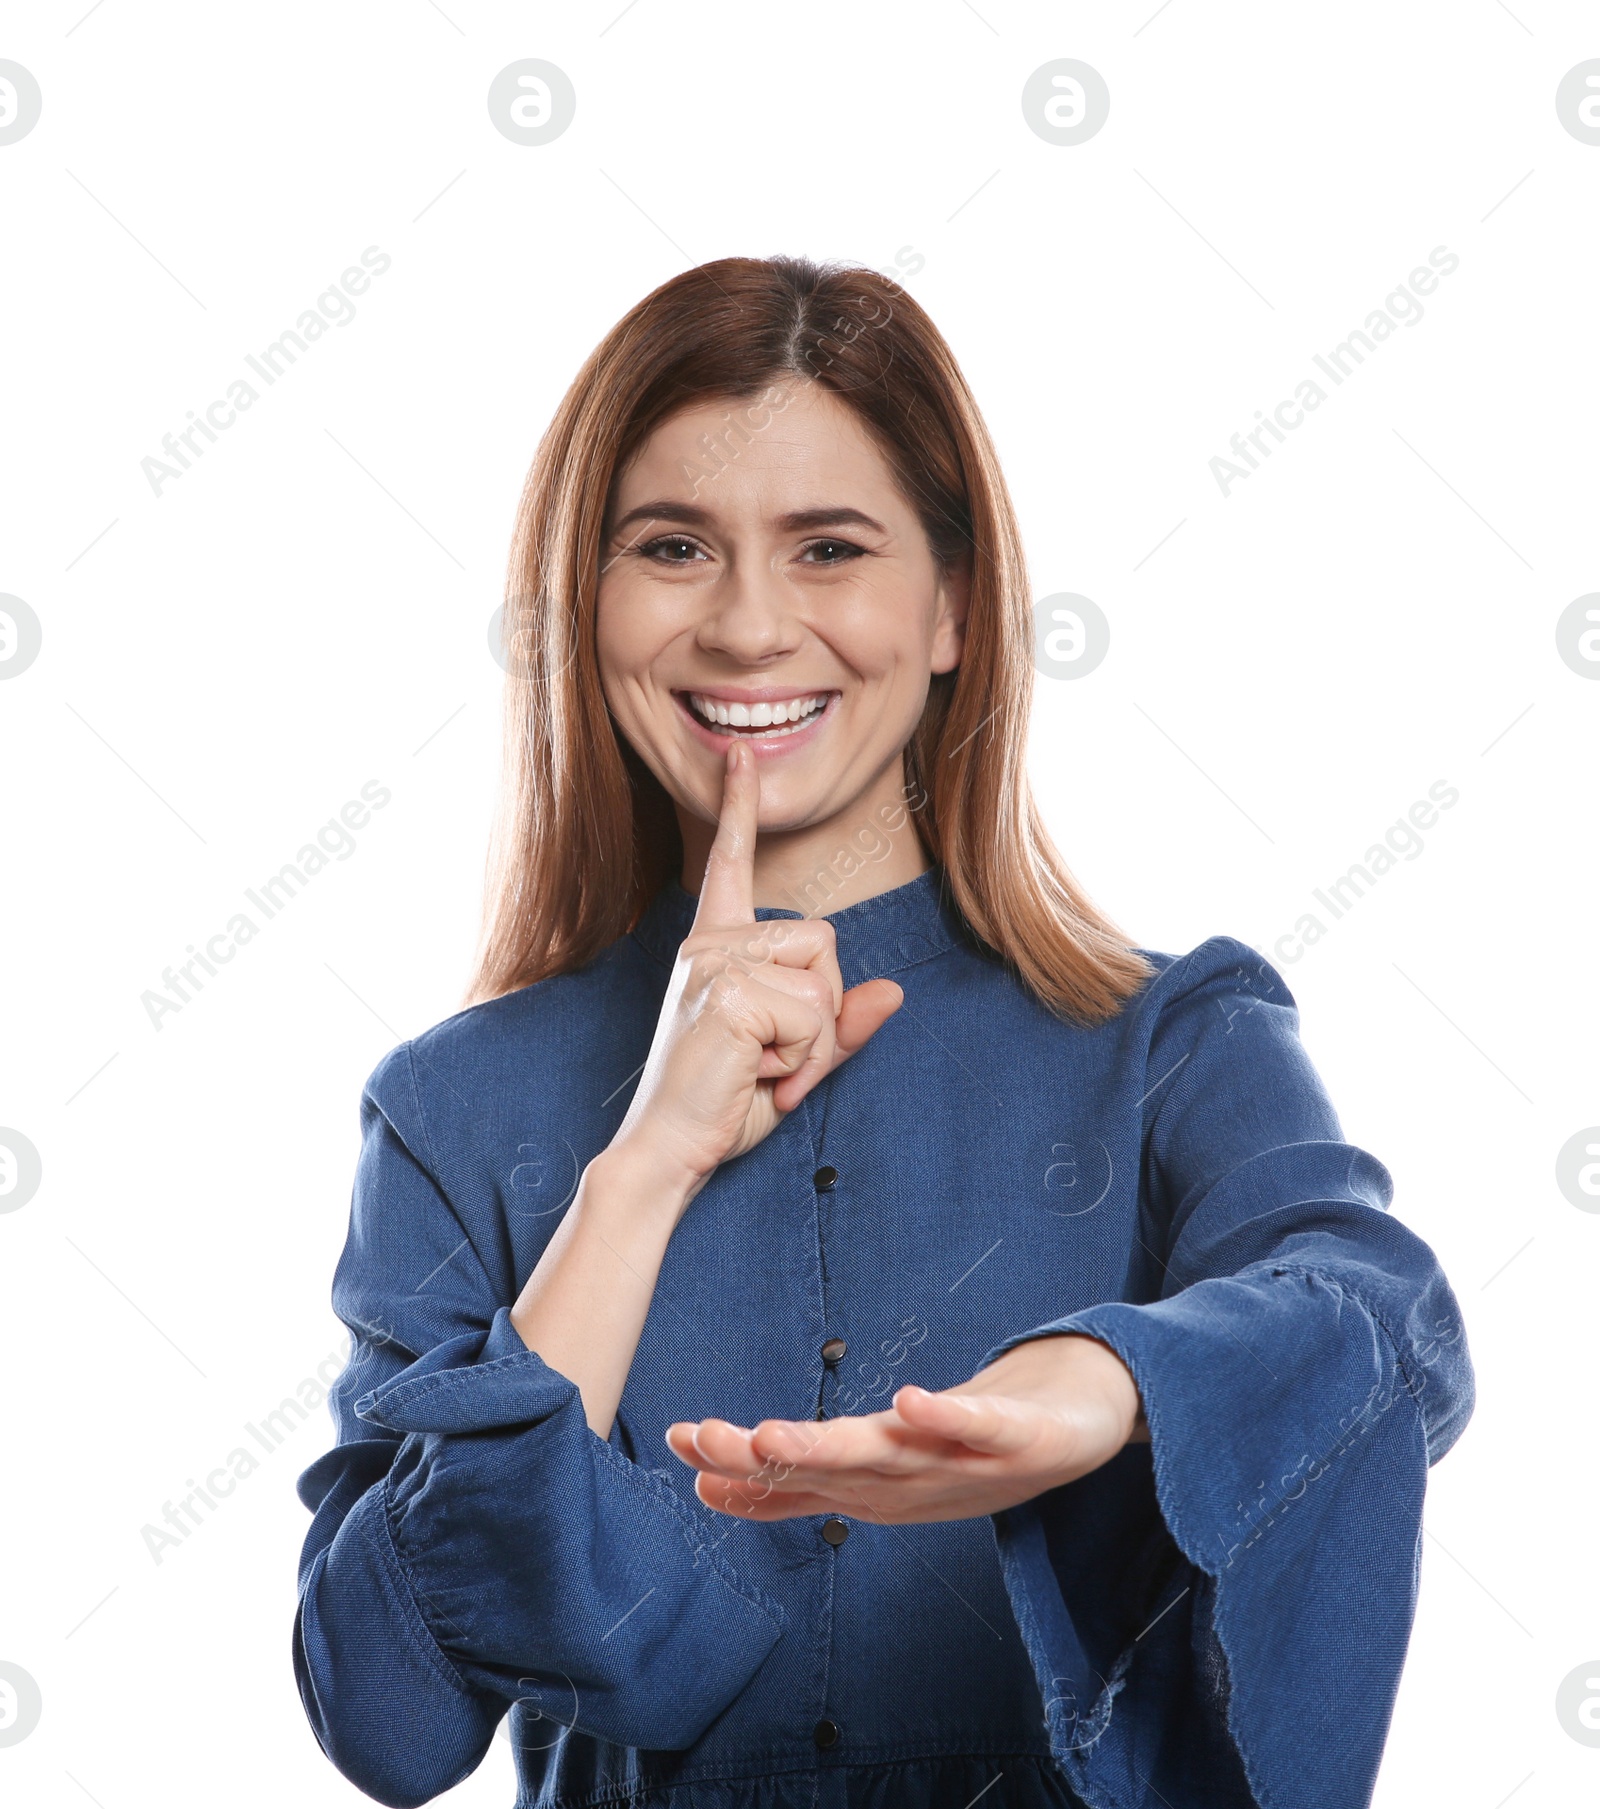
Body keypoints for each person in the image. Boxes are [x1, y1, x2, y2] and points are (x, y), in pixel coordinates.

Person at [292, 255, 1473, 1809]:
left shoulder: (1173, 1036)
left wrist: (1103, 1382)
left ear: (955, 608)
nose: (748, 623)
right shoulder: (453, 1107)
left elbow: (1390, 1333)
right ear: (587, 605)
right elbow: (384, 1709)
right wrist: (641, 1167)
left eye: (829, 547)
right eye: (672, 547)